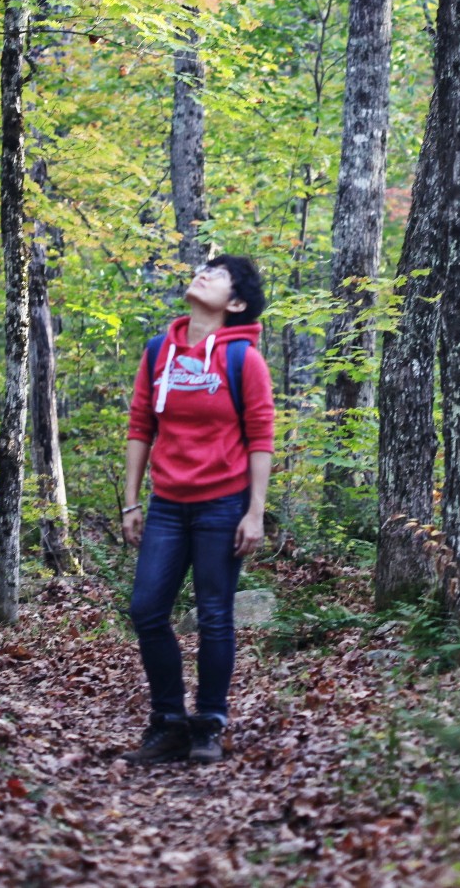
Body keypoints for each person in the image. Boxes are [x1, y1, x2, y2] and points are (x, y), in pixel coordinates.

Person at [120, 255, 275, 765]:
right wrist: (131, 501)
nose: (202, 273)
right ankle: (168, 722)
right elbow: (141, 425)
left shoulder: (243, 360)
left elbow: (260, 438)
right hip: (167, 506)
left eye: (218, 273)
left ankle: (209, 722)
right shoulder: (158, 351)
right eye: (202, 267)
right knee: (146, 610)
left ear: (235, 303)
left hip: (221, 506)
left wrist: (255, 512)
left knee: (213, 616)